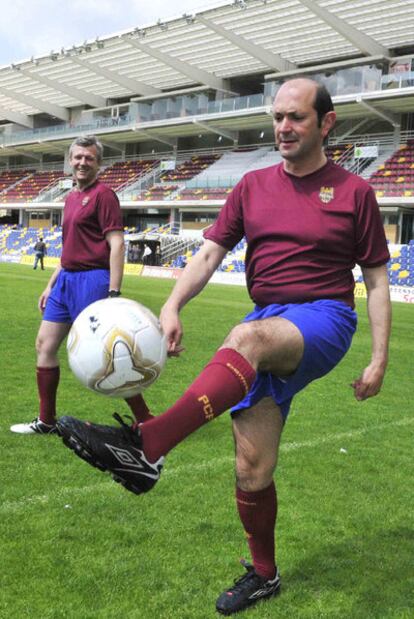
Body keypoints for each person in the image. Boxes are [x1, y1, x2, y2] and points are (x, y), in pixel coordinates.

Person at [56, 80, 391, 614]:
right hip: (266, 316)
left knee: (246, 339)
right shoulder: (252, 185)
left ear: (326, 124)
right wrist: (171, 306)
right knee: (251, 468)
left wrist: (378, 357)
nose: (283, 127)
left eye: (296, 117)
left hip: (324, 317)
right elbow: (210, 252)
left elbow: (375, 279)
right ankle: (264, 574)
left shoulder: (355, 193)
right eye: (277, 116)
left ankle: (149, 446)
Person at [11, 135, 152, 435]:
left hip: (93, 280)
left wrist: (114, 293)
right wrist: (51, 285)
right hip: (65, 281)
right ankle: (47, 421)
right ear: (70, 161)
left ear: (98, 163)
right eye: (77, 157)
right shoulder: (70, 197)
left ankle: (145, 418)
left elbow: (117, 245)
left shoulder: (104, 196)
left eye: (89, 158)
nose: (82, 162)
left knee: (109, 354)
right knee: (44, 345)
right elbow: (67, 250)